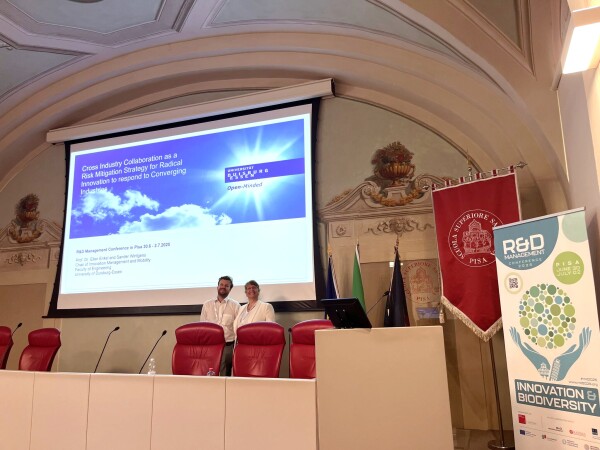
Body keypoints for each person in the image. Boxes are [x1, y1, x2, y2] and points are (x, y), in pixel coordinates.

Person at [200, 276, 240, 376]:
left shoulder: (235, 306)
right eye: (221, 284)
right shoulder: (207, 305)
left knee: (224, 375)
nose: (223, 287)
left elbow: (238, 328)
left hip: (227, 346)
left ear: (230, 288)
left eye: (226, 285)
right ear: (217, 286)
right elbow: (202, 326)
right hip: (209, 346)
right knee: (208, 373)